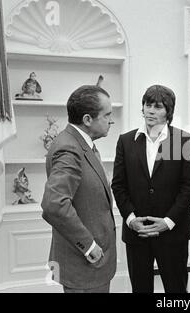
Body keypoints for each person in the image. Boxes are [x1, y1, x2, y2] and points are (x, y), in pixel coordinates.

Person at [112, 85, 190, 293]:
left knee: (176, 290)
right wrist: (131, 219)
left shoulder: (183, 140)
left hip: (173, 232)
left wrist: (168, 222)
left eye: (157, 106)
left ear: (168, 111)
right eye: (147, 104)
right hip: (137, 234)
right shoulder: (126, 141)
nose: (150, 110)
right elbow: (118, 184)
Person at [41, 85, 116, 293]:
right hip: (84, 265)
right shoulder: (69, 148)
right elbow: (54, 205)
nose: (112, 120)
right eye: (107, 115)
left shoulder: (80, 143)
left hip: (90, 266)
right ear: (87, 119)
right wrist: (89, 245)